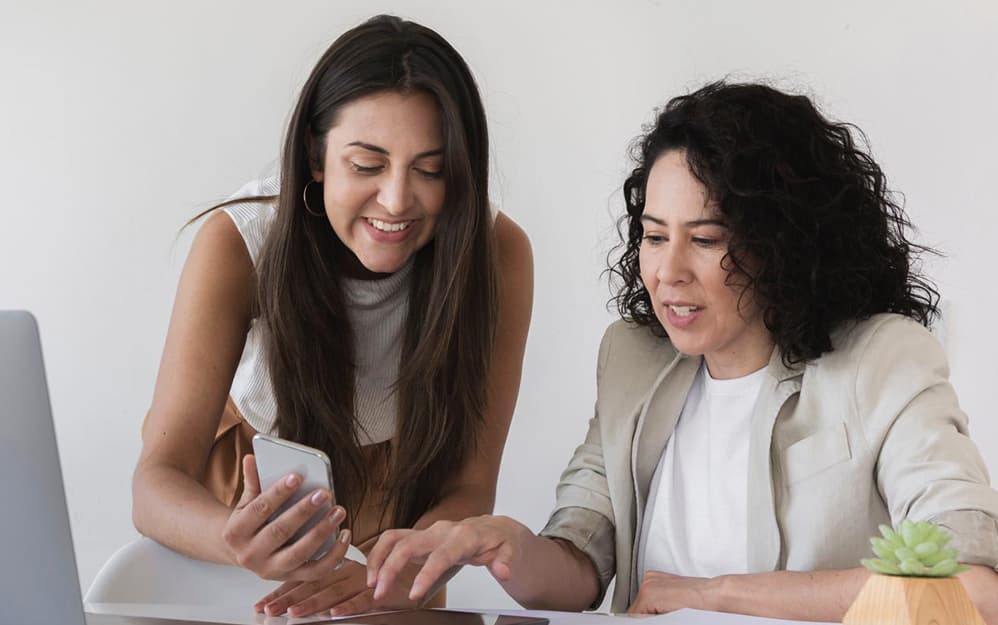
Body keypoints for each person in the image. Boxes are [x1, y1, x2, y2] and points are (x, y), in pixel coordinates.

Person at [364, 81, 998, 623]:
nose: (667, 271)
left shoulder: (883, 362)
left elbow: (972, 593)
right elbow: (581, 566)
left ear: (785, 244)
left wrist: (714, 597)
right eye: (654, 236)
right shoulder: (633, 361)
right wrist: (505, 546)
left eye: (705, 239)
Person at [131, 15, 533, 619]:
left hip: (407, 540)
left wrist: (403, 569)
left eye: (430, 169)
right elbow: (154, 485)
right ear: (316, 158)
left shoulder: (498, 254)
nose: (397, 200)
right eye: (367, 165)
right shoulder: (239, 243)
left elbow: (471, 487)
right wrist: (235, 541)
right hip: (245, 510)